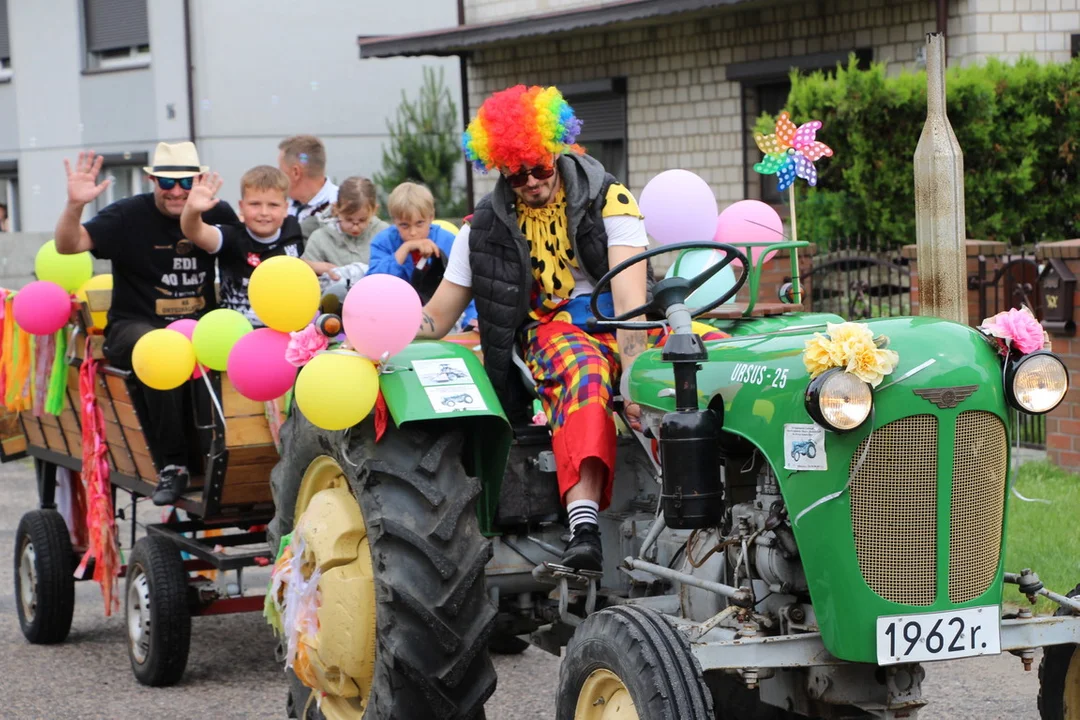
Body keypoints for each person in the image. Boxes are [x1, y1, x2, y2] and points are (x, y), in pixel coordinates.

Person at [415, 85, 652, 572]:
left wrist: (637, 374)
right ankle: (583, 526)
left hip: (618, 318)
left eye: (539, 167)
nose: (531, 181)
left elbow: (631, 299)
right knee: (583, 373)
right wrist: (381, 327)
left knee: (698, 359)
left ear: (556, 148)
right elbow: (437, 317)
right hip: (550, 326)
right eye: (516, 172)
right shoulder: (481, 228)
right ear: (500, 167)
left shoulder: (610, 197)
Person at [54, 142, 238, 505]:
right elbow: (68, 245)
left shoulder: (218, 212)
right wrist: (76, 204)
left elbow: (248, 255)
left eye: (186, 181)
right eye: (166, 182)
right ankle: (173, 465)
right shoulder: (126, 216)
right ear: (151, 179)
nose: (176, 191)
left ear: (199, 179)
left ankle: (233, 455)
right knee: (162, 349)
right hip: (134, 327)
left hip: (200, 331)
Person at [181, 166, 304, 327]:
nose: (264, 212)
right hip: (235, 329)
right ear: (241, 206)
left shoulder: (292, 228)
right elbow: (195, 232)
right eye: (255, 204)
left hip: (283, 326)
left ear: (286, 209)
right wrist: (192, 210)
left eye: (273, 205)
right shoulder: (231, 237)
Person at [369, 181, 477, 326]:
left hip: (443, 319)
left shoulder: (448, 240)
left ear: (431, 217)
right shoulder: (383, 241)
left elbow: (465, 284)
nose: (413, 232)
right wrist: (403, 250)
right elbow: (372, 286)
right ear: (394, 220)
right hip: (393, 318)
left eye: (419, 223)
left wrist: (470, 322)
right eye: (404, 225)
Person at [302, 176, 389, 282]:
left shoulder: (385, 234)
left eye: (362, 220)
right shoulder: (319, 239)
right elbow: (302, 275)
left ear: (374, 210)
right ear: (336, 209)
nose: (355, 227)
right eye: (349, 220)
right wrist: (312, 266)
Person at [278, 135, 338, 226]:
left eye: (281, 171)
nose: (278, 177)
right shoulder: (278, 206)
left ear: (295, 172)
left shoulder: (344, 207)